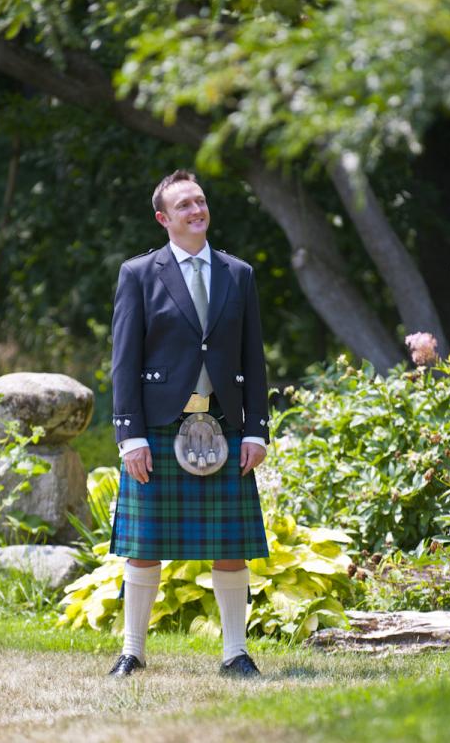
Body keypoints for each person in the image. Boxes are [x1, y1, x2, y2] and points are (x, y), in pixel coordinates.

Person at [107, 169, 269, 678]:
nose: (197, 211)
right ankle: (132, 652)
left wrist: (257, 428)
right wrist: (129, 434)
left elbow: (254, 357)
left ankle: (235, 654)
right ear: (163, 218)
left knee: (230, 547)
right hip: (158, 426)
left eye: (200, 202)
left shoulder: (237, 273)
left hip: (223, 423)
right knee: (144, 546)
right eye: (184, 206)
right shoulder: (139, 274)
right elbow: (123, 359)